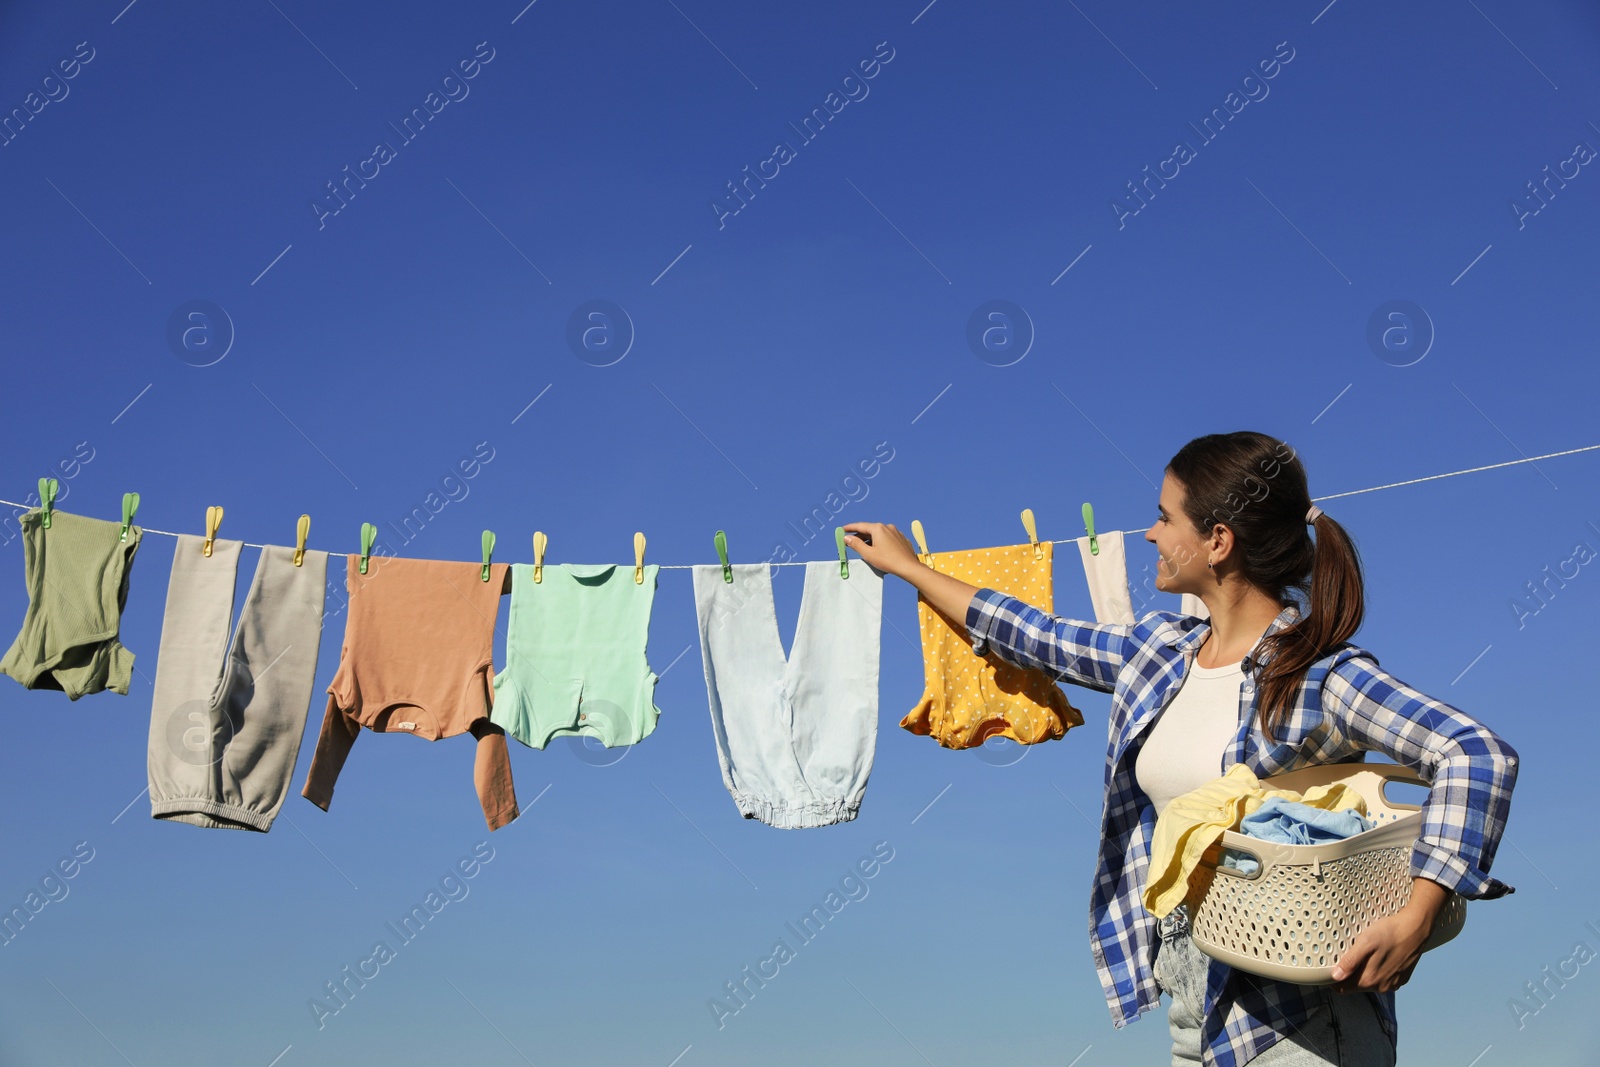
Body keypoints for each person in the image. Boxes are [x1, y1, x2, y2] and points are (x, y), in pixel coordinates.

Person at [842, 430, 1519, 1067]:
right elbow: (1031, 633)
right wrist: (908, 568)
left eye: (1165, 517)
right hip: (1192, 996)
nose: (1151, 532)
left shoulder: (1318, 673)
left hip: (1303, 1018)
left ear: (1217, 539)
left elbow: (1476, 752)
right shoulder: (1157, 652)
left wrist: (1418, 912)